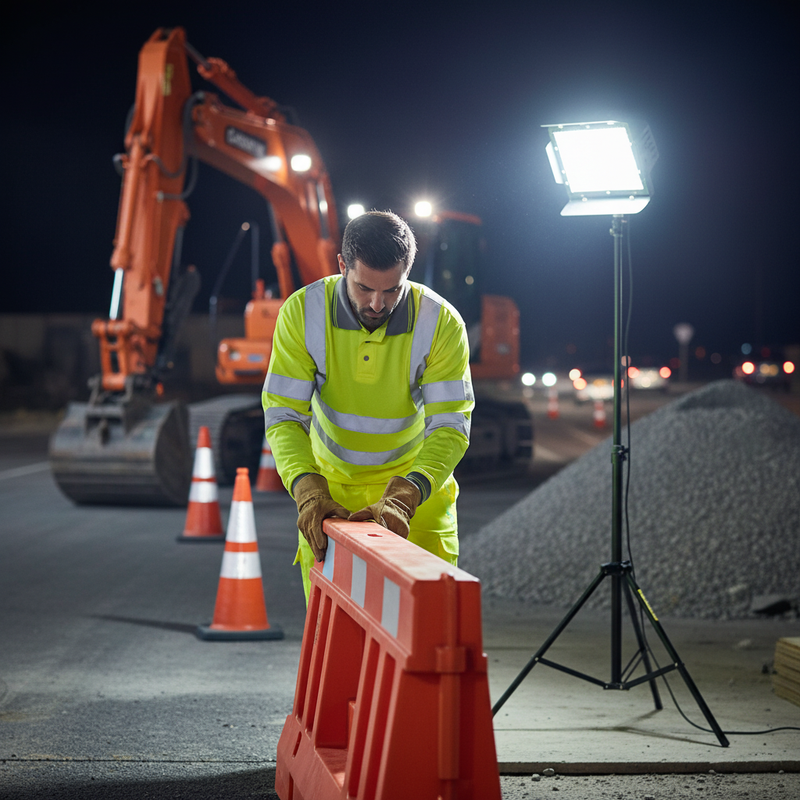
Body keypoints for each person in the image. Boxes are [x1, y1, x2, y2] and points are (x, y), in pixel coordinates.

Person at [262, 210, 473, 601]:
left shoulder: (440, 322)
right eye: (364, 288)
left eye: (392, 290)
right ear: (342, 265)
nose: (377, 303)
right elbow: (284, 416)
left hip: (416, 501)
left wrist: (406, 496)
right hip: (329, 501)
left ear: (407, 273)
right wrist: (308, 489)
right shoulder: (303, 312)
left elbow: (450, 425)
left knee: (426, 643)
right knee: (336, 644)